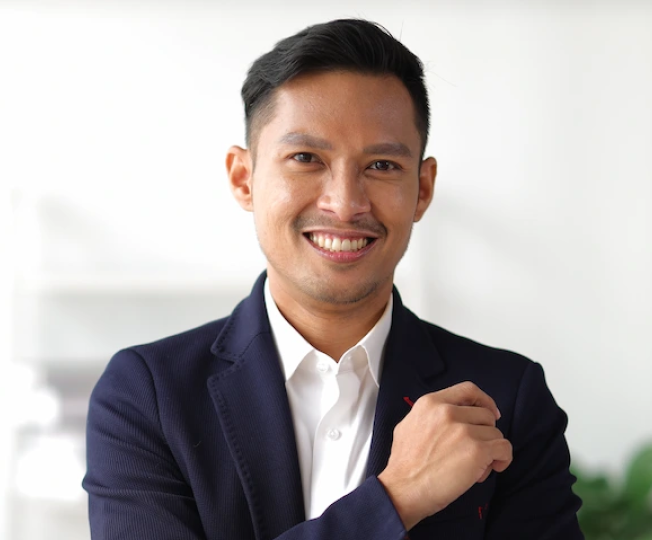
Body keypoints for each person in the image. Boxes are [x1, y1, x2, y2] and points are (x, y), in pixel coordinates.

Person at [83, 18, 583, 539]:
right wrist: (399, 497)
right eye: (305, 158)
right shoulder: (147, 394)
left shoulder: (509, 398)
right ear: (243, 178)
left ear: (422, 189)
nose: (345, 204)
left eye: (382, 165)